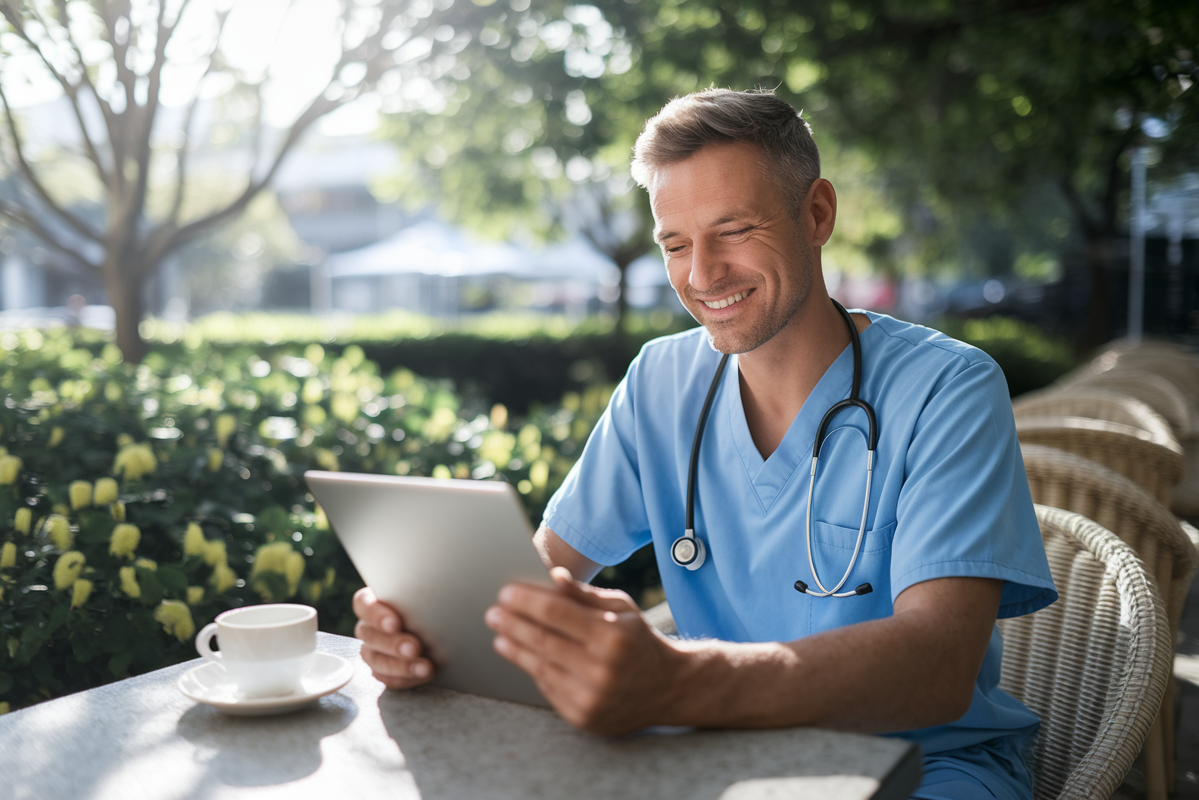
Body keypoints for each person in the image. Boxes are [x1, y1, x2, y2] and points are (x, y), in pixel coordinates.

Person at [354, 88, 1057, 800]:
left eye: (734, 230)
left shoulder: (950, 389)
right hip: (721, 758)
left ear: (816, 214)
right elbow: (540, 575)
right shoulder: (661, 382)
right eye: (676, 244)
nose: (702, 275)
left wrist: (675, 680)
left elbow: (937, 667)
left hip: (926, 769)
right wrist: (429, 627)